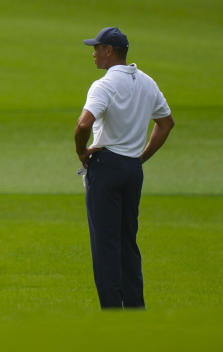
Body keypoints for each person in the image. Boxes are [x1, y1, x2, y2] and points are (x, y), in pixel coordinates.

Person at [75, 26, 174, 309]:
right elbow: (166, 123)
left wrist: (82, 152)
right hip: (132, 169)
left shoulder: (103, 85)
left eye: (96, 48)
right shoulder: (147, 82)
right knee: (128, 241)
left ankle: (112, 313)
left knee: (105, 244)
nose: (93, 54)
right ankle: (134, 307)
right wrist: (141, 157)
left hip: (106, 167)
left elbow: (83, 124)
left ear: (109, 51)